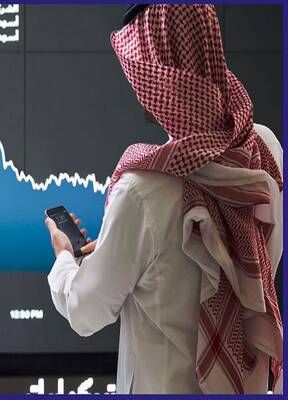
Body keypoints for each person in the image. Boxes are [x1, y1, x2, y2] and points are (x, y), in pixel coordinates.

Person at [44, 4, 283, 394]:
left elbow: (86, 311)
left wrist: (64, 259)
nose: (138, 89)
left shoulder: (143, 192)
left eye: (141, 74)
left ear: (162, 80)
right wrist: (120, 248)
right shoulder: (265, 150)